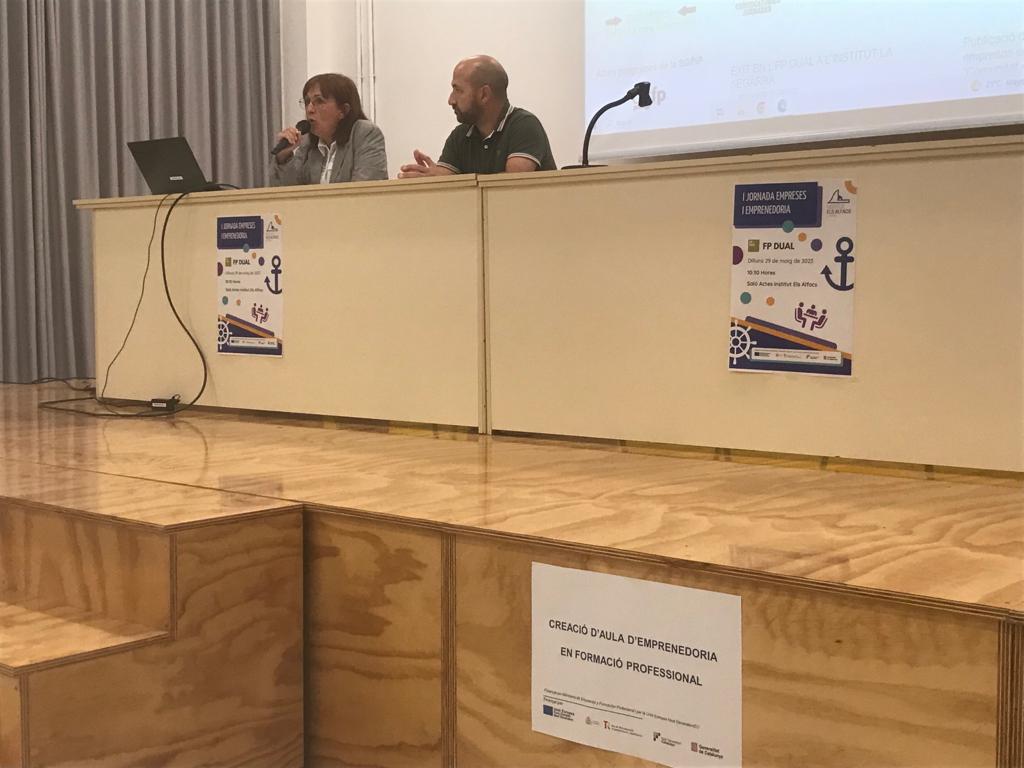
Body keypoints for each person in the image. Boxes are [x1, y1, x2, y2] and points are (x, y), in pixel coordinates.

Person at [398, 56, 556, 178]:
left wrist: (450, 181)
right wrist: (430, 180)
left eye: (458, 90)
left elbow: (510, 186)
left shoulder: (524, 125)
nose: (451, 100)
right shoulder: (460, 135)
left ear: (484, 94)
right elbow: (446, 185)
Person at [271, 73, 387, 186]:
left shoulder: (364, 133)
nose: (309, 109)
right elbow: (287, 193)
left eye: (319, 101)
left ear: (343, 110)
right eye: (307, 102)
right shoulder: (307, 143)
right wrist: (283, 157)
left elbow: (364, 190)